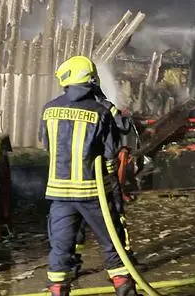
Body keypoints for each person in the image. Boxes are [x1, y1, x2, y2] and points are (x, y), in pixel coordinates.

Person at [40, 55, 139, 296]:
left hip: (59, 195)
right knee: (113, 246)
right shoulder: (99, 112)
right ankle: (125, 290)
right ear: (90, 81)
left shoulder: (49, 109)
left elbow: (46, 145)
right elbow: (109, 153)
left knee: (60, 250)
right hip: (93, 194)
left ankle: (58, 290)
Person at [72, 84, 134, 276]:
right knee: (114, 213)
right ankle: (123, 259)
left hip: (78, 173)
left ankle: (73, 262)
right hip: (105, 173)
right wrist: (125, 115)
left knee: (78, 217)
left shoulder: (71, 107)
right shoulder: (105, 107)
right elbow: (124, 127)